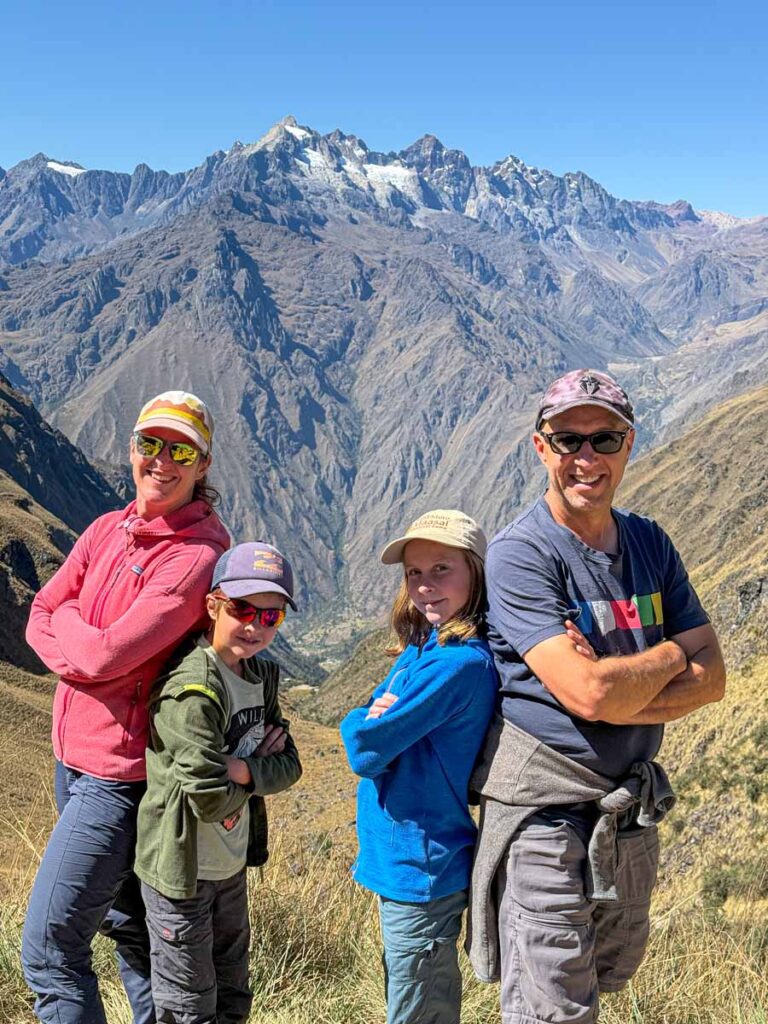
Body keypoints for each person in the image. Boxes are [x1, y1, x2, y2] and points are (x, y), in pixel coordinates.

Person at [467, 369, 726, 1024]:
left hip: (626, 811)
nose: (586, 459)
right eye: (567, 441)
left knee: (602, 983)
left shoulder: (649, 542)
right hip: (542, 813)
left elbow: (715, 677)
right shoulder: (522, 553)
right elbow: (589, 694)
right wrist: (671, 654)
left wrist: (619, 685)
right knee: (553, 1009)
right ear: (540, 447)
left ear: (629, 444)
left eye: (604, 439)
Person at [22, 391, 231, 1024]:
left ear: (203, 464)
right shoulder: (104, 529)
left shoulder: (196, 558)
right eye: (150, 444)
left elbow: (103, 655)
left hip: (118, 777)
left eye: (181, 450)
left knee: (51, 948)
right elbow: (38, 614)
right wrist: (82, 639)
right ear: (131, 448)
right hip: (73, 761)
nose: (161, 461)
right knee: (132, 931)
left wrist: (75, 627)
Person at [340, 510, 499, 1024]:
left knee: (417, 1009)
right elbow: (375, 733)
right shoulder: (423, 649)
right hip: (404, 865)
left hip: (422, 869)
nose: (425, 586)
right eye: (414, 573)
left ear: (475, 572)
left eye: (441, 569)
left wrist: (359, 717)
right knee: (410, 998)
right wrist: (373, 719)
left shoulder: (456, 665)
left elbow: (364, 749)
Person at [134, 541, 302, 1024]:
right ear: (213, 606)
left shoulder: (260, 677)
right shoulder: (193, 691)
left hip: (228, 866)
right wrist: (253, 772)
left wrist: (241, 769)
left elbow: (291, 764)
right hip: (181, 873)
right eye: (242, 609)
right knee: (189, 1005)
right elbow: (206, 798)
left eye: (271, 617)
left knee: (232, 991)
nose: (254, 625)